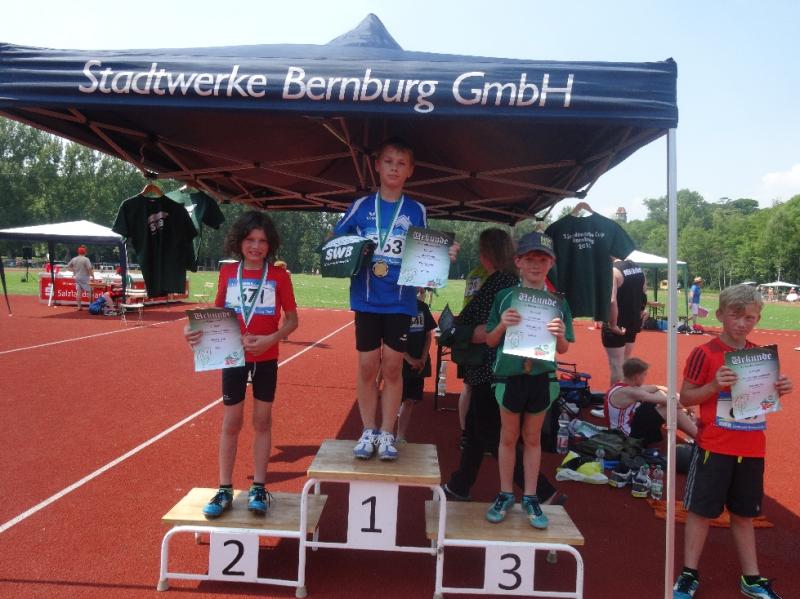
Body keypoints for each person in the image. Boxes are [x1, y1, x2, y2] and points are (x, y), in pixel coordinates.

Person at [332, 137, 458, 461]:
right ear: (377, 165)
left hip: (401, 300)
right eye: (388, 161)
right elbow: (335, 240)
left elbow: (425, 250)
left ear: (410, 171)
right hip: (366, 298)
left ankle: (388, 432)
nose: (394, 168)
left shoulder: (416, 210)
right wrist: (354, 247)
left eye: (401, 164)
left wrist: (443, 255)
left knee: (392, 366)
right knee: (366, 365)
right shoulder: (361, 206)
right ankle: (368, 430)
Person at [673, 284, 793, 599]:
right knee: (701, 512)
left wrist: (778, 389)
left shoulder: (760, 356)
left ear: (758, 319)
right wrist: (714, 385)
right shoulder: (705, 353)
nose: (741, 323)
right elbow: (685, 397)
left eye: (749, 317)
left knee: (744, 514)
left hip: (751, 448)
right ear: (721, 315)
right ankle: (688, 574)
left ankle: (751, 578)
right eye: (735, 316)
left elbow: (762, 401)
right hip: (714, 447)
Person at [184, 211, 298, 519]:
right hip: (232, 356)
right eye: (250, 240)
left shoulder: (279, 276)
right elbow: (217, 315)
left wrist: (271, 339)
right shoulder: (228, 273)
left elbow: (293, 321)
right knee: (231, 422)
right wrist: (193, 332)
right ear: (239, 241)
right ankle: (224, 488)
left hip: (266, 358)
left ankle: (259, 486)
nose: (256, 246)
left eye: (262, 241)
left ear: (270, 244)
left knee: (262, 421)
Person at [443, 228, 563, 508]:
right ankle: (460, 484)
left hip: (493, 367)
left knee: (492, 433)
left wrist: (456, 332)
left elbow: (488, 331)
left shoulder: (501, 283)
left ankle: (544, 492)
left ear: (487, 254)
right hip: (494, 366)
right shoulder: (507, 281)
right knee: (476, 427)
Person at [483, 232, 573, 529]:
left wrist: (560, 334)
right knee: (508, 438)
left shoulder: (558, 302)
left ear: (551, 264)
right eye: (530, 259)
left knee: (533, 439)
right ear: (518, 262)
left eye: (542, 260)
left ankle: (531, 496)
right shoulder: (505, 297)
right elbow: (490, 340)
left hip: (541, 377)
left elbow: (563, 348)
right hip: (509, 377)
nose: (536, 265)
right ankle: (505, 493)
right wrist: (502, 325)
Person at [606, 357, 697, 447]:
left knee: (660, 395)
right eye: (644, 374)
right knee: (668, 408)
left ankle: (691, 428)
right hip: (626, 437)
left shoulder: (623, 386)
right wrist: (686, 405)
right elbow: (669, 402)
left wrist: (680, 400)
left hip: (628, 425)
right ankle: (699, 437)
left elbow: (657, 388)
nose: (645, 377)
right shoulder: (631, 392)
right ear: (636, 376)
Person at [396, 288, 437, 443]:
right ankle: (386, 433)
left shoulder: (422, 307)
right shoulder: (396, 307)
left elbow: (428, 335)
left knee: (410, 400)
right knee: (395, 400)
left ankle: (400, 436)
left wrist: (423, 358)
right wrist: (409, 359)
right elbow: (391, 339)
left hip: (418, 364)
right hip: (400, 363)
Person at [602, 258, 647, 386]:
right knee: (625, 364)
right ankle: (625, 396)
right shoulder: (639, 269)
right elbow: (643, 293)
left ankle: (615, 398)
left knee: (617, 365)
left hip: (618, 322)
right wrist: (641, 311)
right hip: (633, 321)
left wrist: (613, 325)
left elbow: (612, 300)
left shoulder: (614, 271)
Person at [65, 246, 94, 311]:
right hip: (85, 277)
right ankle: (91, 306)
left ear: (78, 252)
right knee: (89, 291)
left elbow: (68, 267)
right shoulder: (86, 259)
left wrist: (74, 271)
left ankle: (79, 306)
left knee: (78, 292)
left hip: (77, 277)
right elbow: (89, 268)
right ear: (85, 252)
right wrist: (92, 275)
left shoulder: (74, 259)